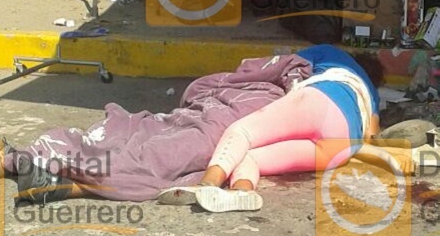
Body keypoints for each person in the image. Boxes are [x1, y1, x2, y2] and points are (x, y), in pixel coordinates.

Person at [157, 44, 383, 213]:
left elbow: (285, 65)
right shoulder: (371, 94)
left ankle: (207, 184)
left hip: (322, 101)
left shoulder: (334, 54)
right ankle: (242, 191)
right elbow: (372, 136)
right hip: (342, 146)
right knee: (252, 158)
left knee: (242, 132)